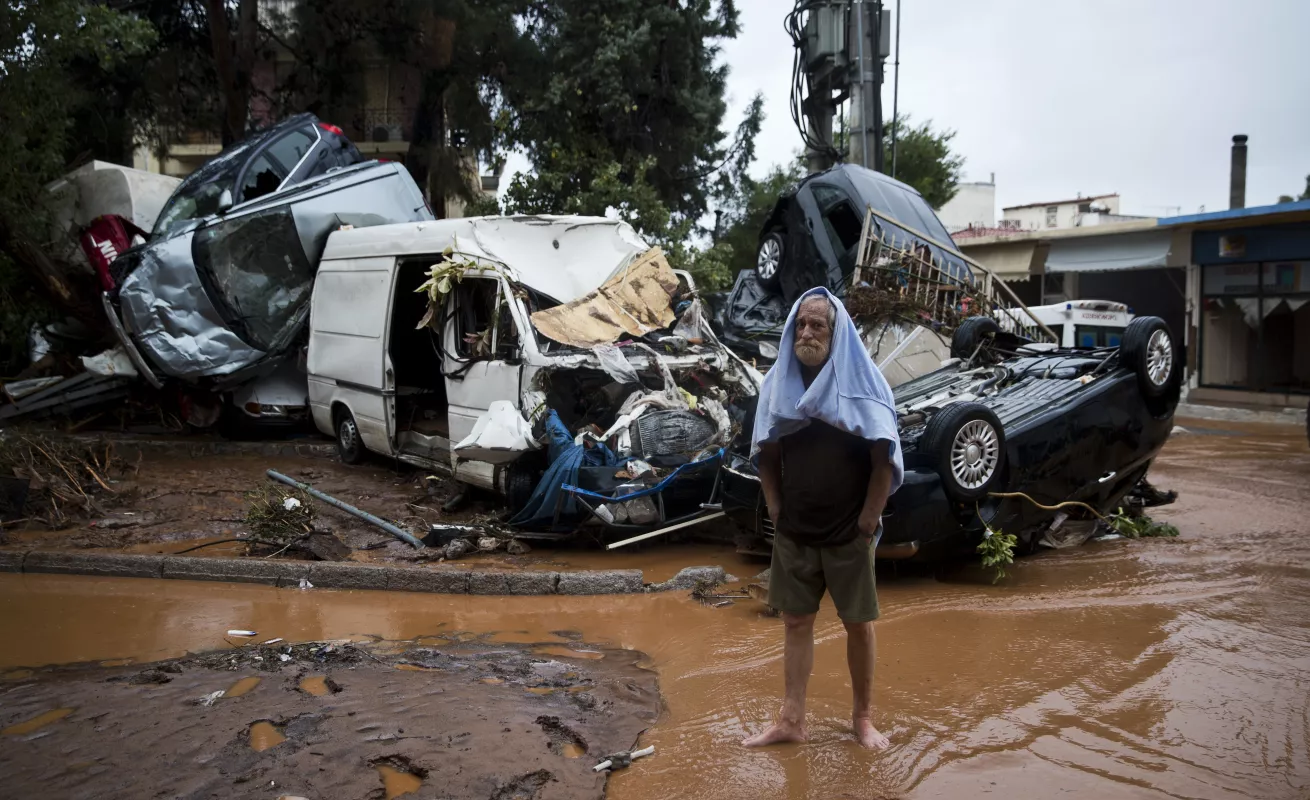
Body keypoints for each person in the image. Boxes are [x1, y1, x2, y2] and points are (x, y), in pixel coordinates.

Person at [742, 287, 903, 751]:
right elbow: (766, 452)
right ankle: (791, 720)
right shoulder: (778, 384)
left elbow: (883, 458)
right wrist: (774, 507)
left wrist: (869, 520)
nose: (808, 332)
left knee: (858, 624)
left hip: (849, 531)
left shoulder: (865, 383)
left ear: (837, 333)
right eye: (801, 324)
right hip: (795, 530)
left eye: (819, 325)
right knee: (795, 622)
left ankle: (863, 719)